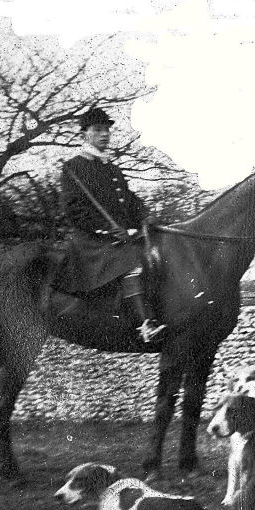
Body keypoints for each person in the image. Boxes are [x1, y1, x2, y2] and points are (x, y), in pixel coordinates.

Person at [60, 105, 165, 341]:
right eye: (98, 130)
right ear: (84, 134)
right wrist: (105, 229)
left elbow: (128, 200)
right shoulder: (74, 168)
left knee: (158, 252)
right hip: (91, 239)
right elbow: (73, 210)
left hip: (119, 234)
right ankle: (144, 324)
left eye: (107, 130)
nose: (105, 135)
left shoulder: (112, 168)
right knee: (131, 262)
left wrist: (145, 215)